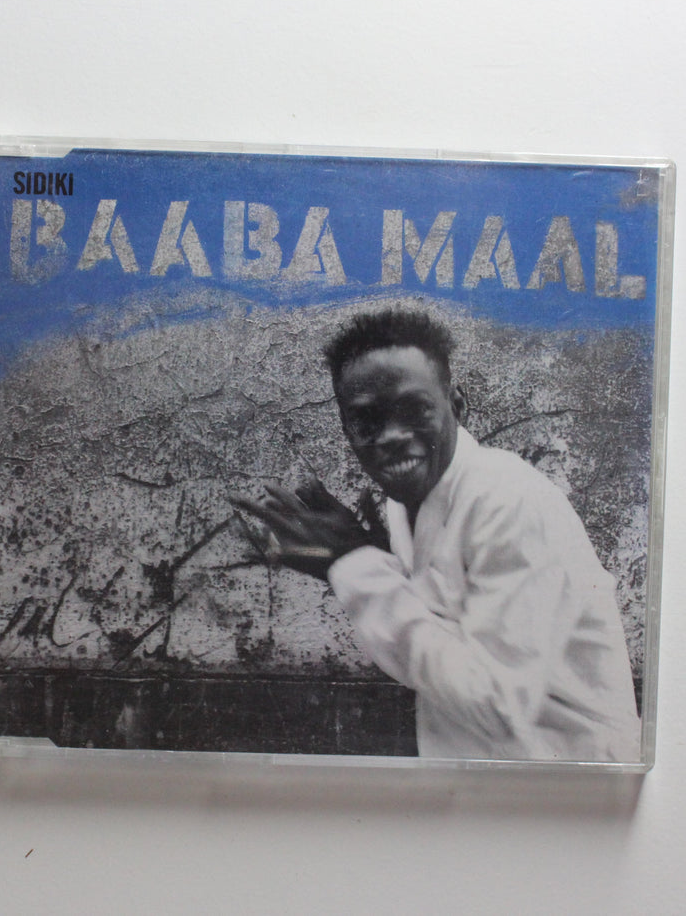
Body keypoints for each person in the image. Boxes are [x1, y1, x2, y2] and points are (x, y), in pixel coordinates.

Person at [231, 309, 640, 762]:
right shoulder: (410, 502)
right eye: (367, 420)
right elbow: (443, 643)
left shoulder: (509, 501)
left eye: (415, 409)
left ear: (457, 406)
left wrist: (355, 566)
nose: (392, 436)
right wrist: (373, 561)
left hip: (576, 785)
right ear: (346, 429)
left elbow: (497, 705)